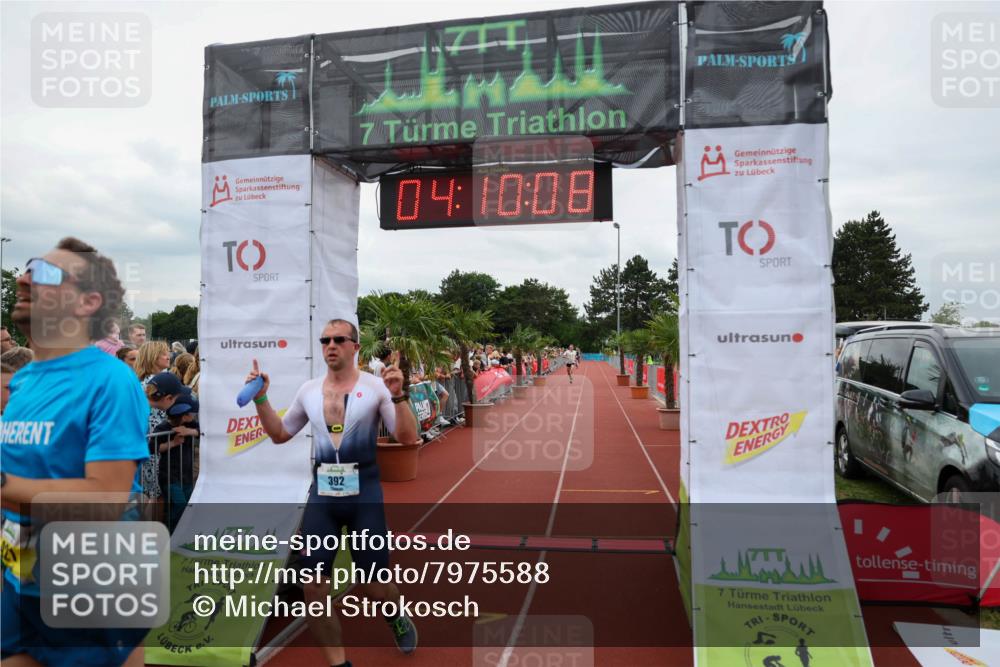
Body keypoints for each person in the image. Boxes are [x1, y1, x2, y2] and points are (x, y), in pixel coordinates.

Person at [1, 237, 150, 666]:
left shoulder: (111, 381)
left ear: (88, 302)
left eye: (46, 274)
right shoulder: (24, 380)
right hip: (22, 573)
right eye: (29, 268)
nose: (25, 279)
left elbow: (105, 499)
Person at [247, 318, 420, 666]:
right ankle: (339, 664)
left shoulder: (377, 386)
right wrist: (261, 398)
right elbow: (280, 434)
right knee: (313, 588)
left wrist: (399, 396)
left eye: (339, 339)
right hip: (323, 500)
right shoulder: (308, 390)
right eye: (325, 340)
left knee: (375, 586)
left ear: (355, 346)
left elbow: (407, 438)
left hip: (364, 499)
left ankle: (395, 614)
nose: (331, 345)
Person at [150, 393, 198, 532]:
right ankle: (169, 533)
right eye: (191, 413)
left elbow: (203, 431)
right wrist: (173, 443)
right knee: (179, 505)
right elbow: (152, 448)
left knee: (187, 506)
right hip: (170, 477)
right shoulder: (162, 428)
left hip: (186, 477)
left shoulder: (190, 425)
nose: (194, 416)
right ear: (183, 415)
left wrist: (189, 431)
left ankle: (180, 534)